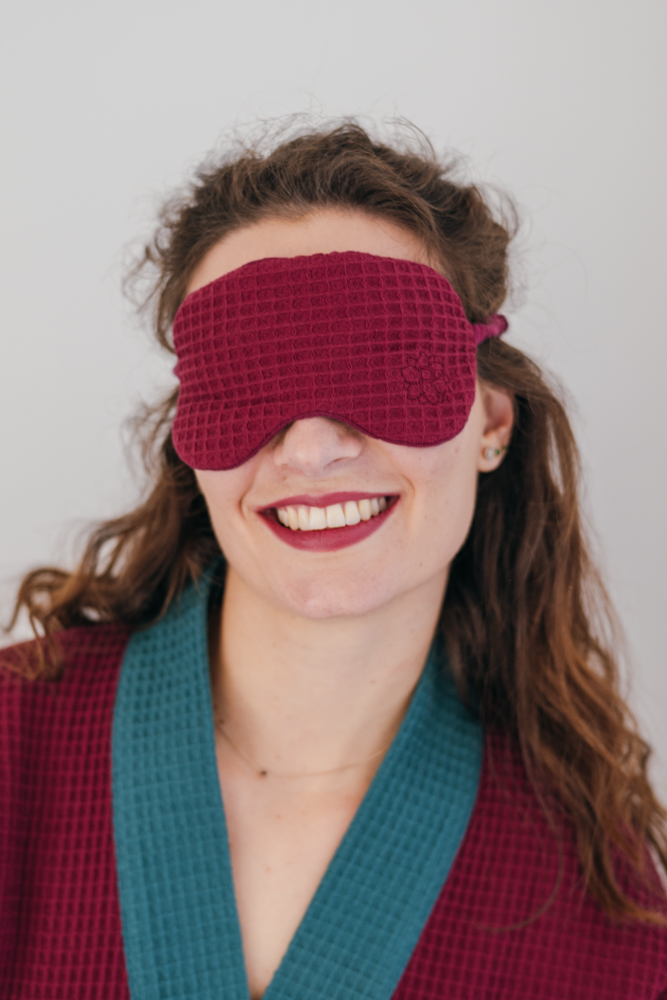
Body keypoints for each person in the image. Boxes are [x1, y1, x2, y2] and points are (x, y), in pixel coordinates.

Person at [2, 121, 666, 1000]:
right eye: (247, 380)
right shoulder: (13, 749)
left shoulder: (606, 916)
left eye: (382, 366)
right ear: (188, 437)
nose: (312, 450)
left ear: (492, 422)